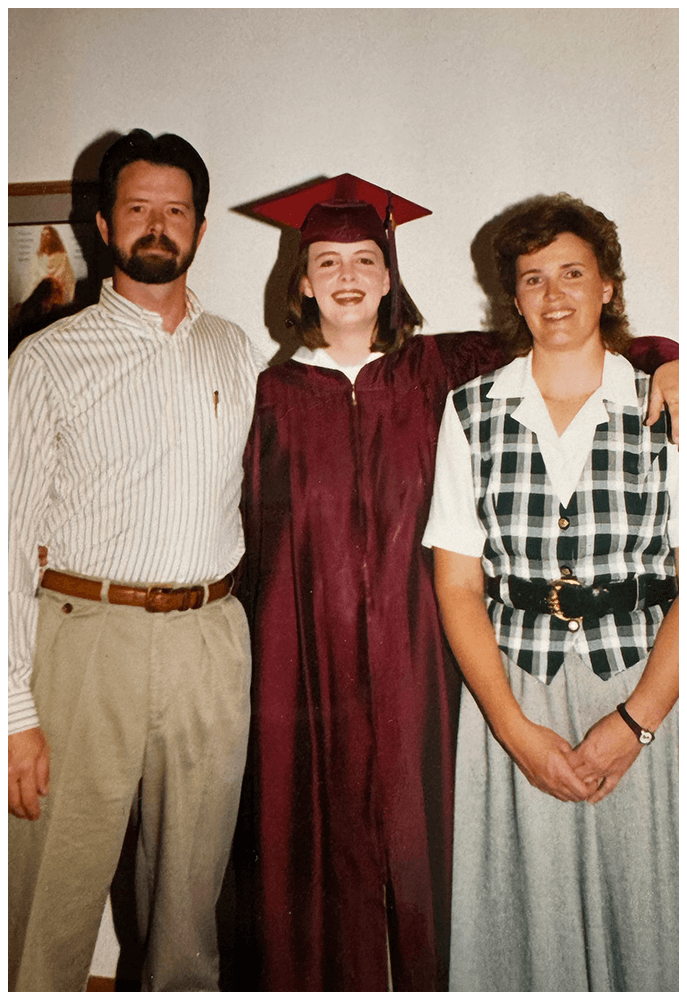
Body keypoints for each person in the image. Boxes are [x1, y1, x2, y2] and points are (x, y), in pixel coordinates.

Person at [233, 175, 678, 991]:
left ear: (392, 274)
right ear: (300, 279)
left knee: (453, 866)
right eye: (326, 260)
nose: (346, 276)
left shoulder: (438, 371)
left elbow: (583, 343)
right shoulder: (270, 394)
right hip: (311, 669)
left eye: (366, 257)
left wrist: (671, 358)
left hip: (424, 666)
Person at [8, 129, 263, 991]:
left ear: (197, 227)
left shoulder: (236, 349)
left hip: (210, 644)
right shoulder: (45, 360)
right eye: (138, 209)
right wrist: (13, 713)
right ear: (104, 225)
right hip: (85, 641)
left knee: (192, 907)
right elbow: (6, 538)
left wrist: (652, 353)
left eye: (176, 210)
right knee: (48, 896)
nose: (157, 225)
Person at [423, 194, 678, 991]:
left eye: (573, 272)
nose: (555, 294)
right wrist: (512, 730)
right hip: (517, 691)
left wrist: (634, 723)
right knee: (521, 931)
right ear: (513, 297)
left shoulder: (663, 405)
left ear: (607, 286)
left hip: (644, 684)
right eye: (532, 279)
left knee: (649, 918)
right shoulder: (470, 411)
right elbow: (458, 584)